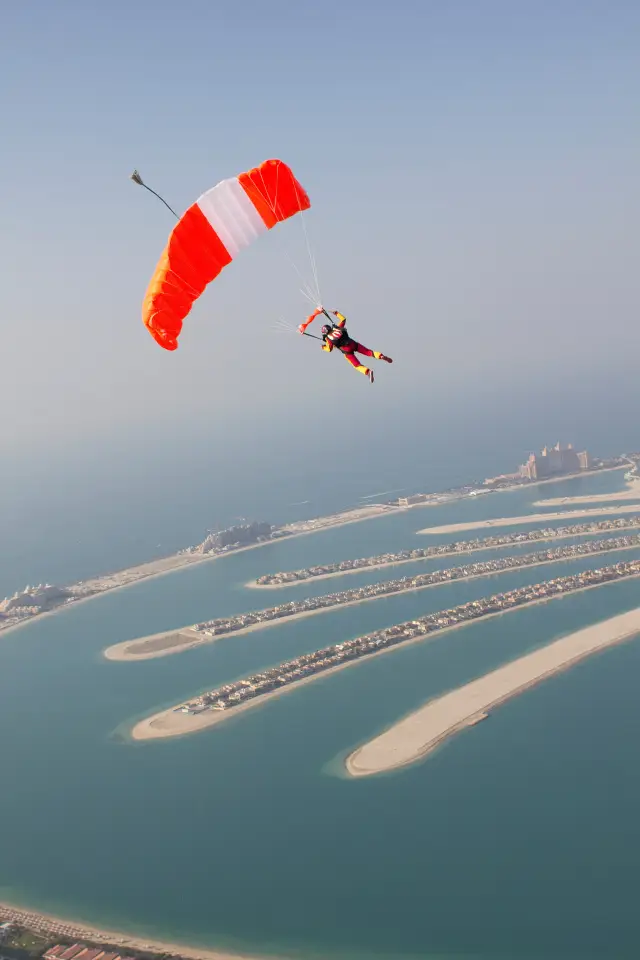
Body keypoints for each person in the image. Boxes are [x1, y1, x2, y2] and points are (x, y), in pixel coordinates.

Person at [298, 308, 392, 383]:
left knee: (357, 365)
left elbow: (329, 349)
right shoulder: (338, 328)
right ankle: (381, 356)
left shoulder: (328, 339)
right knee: (369, 352)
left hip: (347, 352)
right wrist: (336, 313)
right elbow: (343, 319)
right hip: (353, 344)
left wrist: (323, 347)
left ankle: (367, 372)